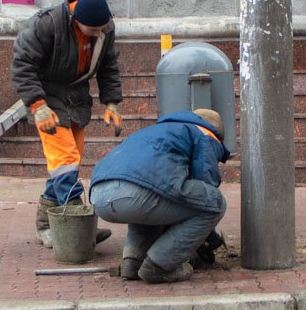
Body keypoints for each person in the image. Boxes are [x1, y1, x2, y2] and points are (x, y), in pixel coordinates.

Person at [12, 0, 124, 248]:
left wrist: (112, 103)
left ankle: (45, 225)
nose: (98, 33)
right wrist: (38, 106)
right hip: (47, 96)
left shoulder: (105, 29)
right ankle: (78, 224)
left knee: (68, 161)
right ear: (76, 20)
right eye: (93, 30)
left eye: (102, 28)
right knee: (65, 159)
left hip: (76, 97)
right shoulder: (48, 24)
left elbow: (108, 66)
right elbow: (22, 65)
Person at [88, 108, 230, 284]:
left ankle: (133, 262)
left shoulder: (157, 129)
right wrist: (201, 236)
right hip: (137, 193)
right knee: (215, 203)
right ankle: (158, 267)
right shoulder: (206, 133)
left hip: (99, 194)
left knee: (156, 197)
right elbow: (205, 184)